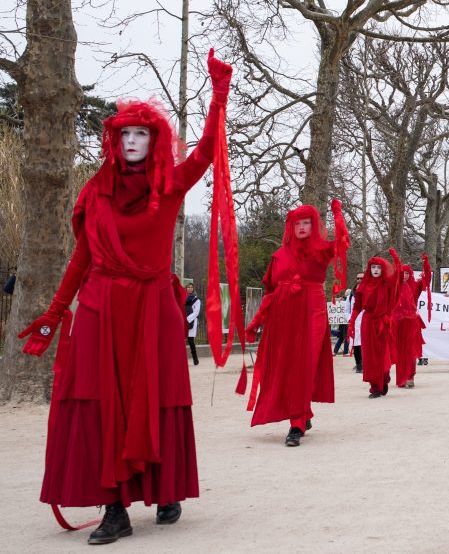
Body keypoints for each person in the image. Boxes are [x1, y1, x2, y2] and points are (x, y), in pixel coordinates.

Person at [17, 50, 234, 544]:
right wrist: (54, 313)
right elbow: (81, 259)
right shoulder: (95, 191)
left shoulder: (171, 184)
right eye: (124, 134)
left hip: (154, 306)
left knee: (156, 397)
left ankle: (166, 488)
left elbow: (204, 154)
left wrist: (218, 98)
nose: (132, 141)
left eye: (141, 134)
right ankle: (113, 508)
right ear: (112, 141)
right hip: (100, 307)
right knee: (102, 404)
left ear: (154, 141)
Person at [244, 200, 348, 447]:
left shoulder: (321, 250)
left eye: (306, 223)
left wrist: (337, 213)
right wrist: (255, 322)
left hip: (312, 310)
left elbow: (342, 241)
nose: (301, 227)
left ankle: (297, 422)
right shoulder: (279, 256)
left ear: (313, 226)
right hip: (283, 317)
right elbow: (270, 293)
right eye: (297, 223)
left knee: (306, 365)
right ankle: (301, 416)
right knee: (289, 367)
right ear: (290, 226)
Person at [351, 252, 402, 398]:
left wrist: (396, 260)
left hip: (383, 323)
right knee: (370, 356)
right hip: (368, 323)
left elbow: (398, 277)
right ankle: (375, 386)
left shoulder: (388, 284)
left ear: (383, 269)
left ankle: (383, 379)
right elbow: (357, 306)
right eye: (373, 267)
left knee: (383, 354)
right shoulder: (363, 286)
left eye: (378, 268)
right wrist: (352, 322)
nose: (375, 270)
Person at [394, 257, 431, 389]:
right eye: (402, 273)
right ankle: (401, 378)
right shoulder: (394, 288)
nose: (404, 275)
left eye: (407, 273)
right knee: (399, 352)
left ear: (410, 274)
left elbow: (426, 280)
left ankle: (410, 377)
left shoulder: (415, 286)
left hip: (411, 324)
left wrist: (426, 265)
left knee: (410, 351)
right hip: (398, 324)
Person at [347, 273, 364, 372]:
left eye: (361, 278)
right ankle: (358, 364)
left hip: (366, 321)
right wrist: (350, 318)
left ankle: (365, 363)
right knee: (356, 344)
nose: (359, 280)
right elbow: (347, 310)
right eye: (358, 278)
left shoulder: (370, 291)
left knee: (366, 344)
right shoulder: (351, 295)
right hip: (355, 322)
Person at [184, 283, 201, 366]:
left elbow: (196, 312)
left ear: (193, 289)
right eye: (188, 287)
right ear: (186, 288)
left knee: (191, 341)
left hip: (191, 321)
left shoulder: (197, 300)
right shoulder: (182, 298)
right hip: (182, 321)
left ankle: (195, 359)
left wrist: (186, 319)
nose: (190, 288)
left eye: (191, 287)